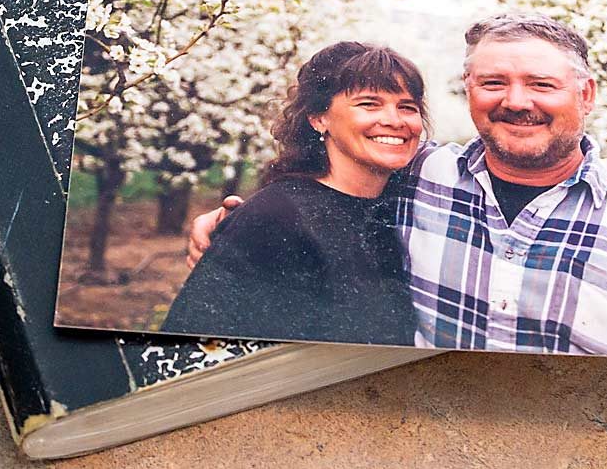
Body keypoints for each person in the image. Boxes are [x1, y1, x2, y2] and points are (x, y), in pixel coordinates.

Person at [191, 14, 607, 360]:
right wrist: (236, 224)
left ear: (584, 97)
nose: (516, 101)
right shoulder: (417, 179)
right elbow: (326, 200)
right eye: (494, 82)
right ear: (468, 90)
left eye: (541, 84)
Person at [162, 42, 424, 345]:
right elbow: (195, 343)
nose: (395, 120)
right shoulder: (276, 217)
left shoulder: (405, 206)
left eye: (407, 107)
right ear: (318, 118)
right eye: (369, 104)